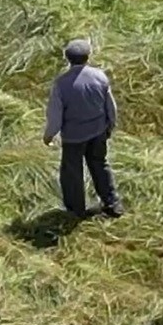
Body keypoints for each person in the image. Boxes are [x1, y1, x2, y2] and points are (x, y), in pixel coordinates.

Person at [43, 38, 123, 218]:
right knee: (100, 165)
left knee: (72, 173)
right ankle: (112, 203)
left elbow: (55, 117)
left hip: (73, 137)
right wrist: (110, 126)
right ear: (88, 56)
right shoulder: (100, 77)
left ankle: (76, 211)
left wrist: (48, 136)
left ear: (67, 58)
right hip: (98, 132)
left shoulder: (61, 84)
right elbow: (110, 106)